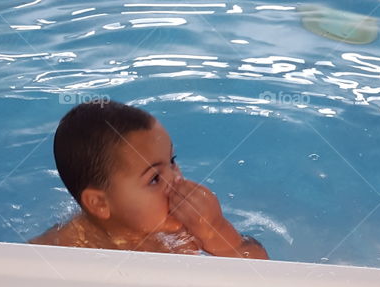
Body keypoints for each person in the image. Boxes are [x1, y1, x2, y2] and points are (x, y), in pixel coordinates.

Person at [29, 98, 269, 259]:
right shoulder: (66, 248)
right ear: (100, 203)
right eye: (154, 178)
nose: (175, 179)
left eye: (172, 161)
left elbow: (262, 276)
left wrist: (218, 232)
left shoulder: (188, 228)